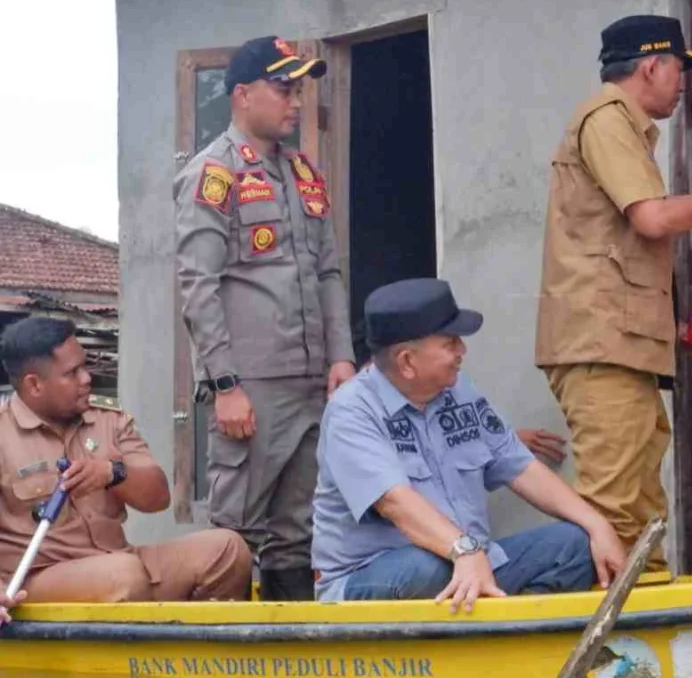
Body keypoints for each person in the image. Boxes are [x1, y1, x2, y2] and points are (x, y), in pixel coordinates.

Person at [535, 14, 692, 569]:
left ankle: (648, 615)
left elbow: (625, 248)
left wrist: (678, 326)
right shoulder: (607, 118)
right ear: (652, 66)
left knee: (642, 511)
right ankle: (603, 626)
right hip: (602, 344)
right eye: (680, 69)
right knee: (612, 515)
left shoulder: (623, 126)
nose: (684, 84)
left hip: (623, 343)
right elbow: (652, 220)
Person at [312, 278, 628, 611]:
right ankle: (492, 618)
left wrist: (597, 525)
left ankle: (510, 629)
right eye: (450, 342)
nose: (462, 351)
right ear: (407, 361)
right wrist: (463, 550)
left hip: (471, 563)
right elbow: (395, 502)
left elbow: (520, 467)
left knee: (577, 543)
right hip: (382, 575)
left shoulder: (457, 389)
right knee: (427, 568)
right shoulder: (352, 410)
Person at [173, 36, 357, 601]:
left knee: (299, 532)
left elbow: (328, 272)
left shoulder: (302, 171)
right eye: (283, 89)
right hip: (251, 385)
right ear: (242, 95)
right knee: (235, 534)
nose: (295, 101)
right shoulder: (214, 173)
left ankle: (292, 645)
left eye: (298, 90)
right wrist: (225, 384)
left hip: (309, 381)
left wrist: (342, 356)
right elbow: (198, 285)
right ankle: (221, 647)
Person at [0, 318, 252, 606]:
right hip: (40, 581)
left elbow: (157, 498)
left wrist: (113, 474)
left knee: (228, 549)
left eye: (85, 366)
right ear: (34, 385)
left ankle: (188, 635)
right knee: (123, 576)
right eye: (72, 373)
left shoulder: (109, 419)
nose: (86, 378)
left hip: (122, 564)